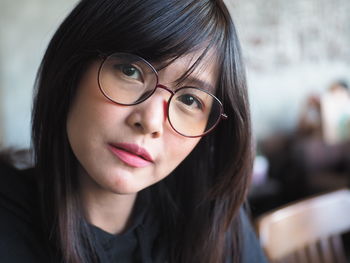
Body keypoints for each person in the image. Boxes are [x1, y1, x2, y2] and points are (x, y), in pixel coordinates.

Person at [0, 0, 268, 262]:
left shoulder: (214, 226)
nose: (151, 121)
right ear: (72, 69)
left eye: (190, 100)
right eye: (130, 71)